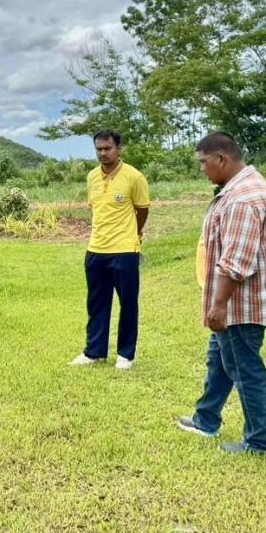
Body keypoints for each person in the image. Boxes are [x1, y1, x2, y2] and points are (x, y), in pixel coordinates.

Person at [177, 132, 266, 454]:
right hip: (236, 302)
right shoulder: (241, 188)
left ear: (221, 159)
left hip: (241, 305)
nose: (202, 170)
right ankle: (206, 420)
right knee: (220, 361)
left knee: (245, 370)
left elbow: (236, 262)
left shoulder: (243, 199)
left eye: (203, 163)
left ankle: (260, 442)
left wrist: (219, 305)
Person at [70, 129, 150, 370]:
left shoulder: (134, 177)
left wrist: (132, 234)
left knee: (128, 303)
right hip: (95, 249)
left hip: (125, 250)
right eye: (99, 149)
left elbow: (142, 210)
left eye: (108, 148)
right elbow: (97, 210)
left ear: (119, 149)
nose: (103, 153)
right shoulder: (92, 177)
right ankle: (94, 353)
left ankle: (126, 355)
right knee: (96, 303)